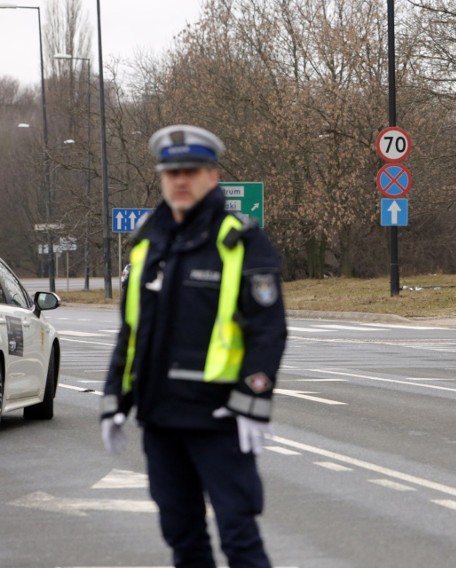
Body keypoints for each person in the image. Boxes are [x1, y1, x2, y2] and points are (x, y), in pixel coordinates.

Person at [100, 124, 287, 568]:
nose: (180, 181)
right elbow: (130, 332)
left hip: (219, 417)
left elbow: (268, 329)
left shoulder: (241, 238)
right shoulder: (148, 242)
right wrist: (115, 400)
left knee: (239, 536)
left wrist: (253, 397)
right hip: (160, 417)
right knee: (181, 536)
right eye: (171, 172)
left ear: (212, 176)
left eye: (191, 171)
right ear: (162, 178)